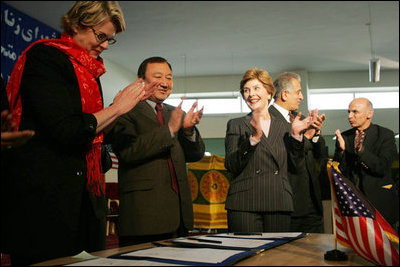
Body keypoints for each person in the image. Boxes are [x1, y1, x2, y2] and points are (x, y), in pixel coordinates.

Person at [1, 2, 160, 265]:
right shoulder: (46, 58)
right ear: (77, 24)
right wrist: (117, 108)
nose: (106, 45)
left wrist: (117, 110)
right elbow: (67, 129)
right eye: (101, 36)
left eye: (110, 40)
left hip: (84, 198)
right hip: (46, 200)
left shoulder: (89, 70)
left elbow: (93, 133)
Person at [108, 56, 205, 246]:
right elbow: (128, 152)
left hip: (179, 217)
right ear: (140, 81)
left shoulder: (175, 112)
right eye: (158, 76)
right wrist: (169, 131)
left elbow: (196, 154)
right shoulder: (124, 110)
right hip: (144, 217)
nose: (165, 83)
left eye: (169, 77)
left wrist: (187, 130)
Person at [224, 67, 315, 233]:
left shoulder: (286, 126)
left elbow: (296, 167)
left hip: (278, 200)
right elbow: (231, 165)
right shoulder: (236, 124)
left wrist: (296, 136)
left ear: (269, 93)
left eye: (256, 88)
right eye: (246, 90)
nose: (251, 94)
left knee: (276, 257)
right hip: (244, 203)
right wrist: (253, 140)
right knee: (247, 257)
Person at [269, 72, 328, 233]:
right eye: (298, 92)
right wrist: (300, 138)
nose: (301, 97)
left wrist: (315, 134)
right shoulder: (267, 119)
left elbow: (320, 156)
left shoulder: (300, 119)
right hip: (288, 205)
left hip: (312, 203)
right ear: (285, 94)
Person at [334, 97, 399, 232]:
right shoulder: (344, 137)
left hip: (381, 205)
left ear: (369, 114)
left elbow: (382, 167)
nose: (349, 116)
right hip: (354, 206)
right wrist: (341, 151)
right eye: (348, 111)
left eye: (355, 112)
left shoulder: (385, 135)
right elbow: (341, 173)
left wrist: (362, 152)